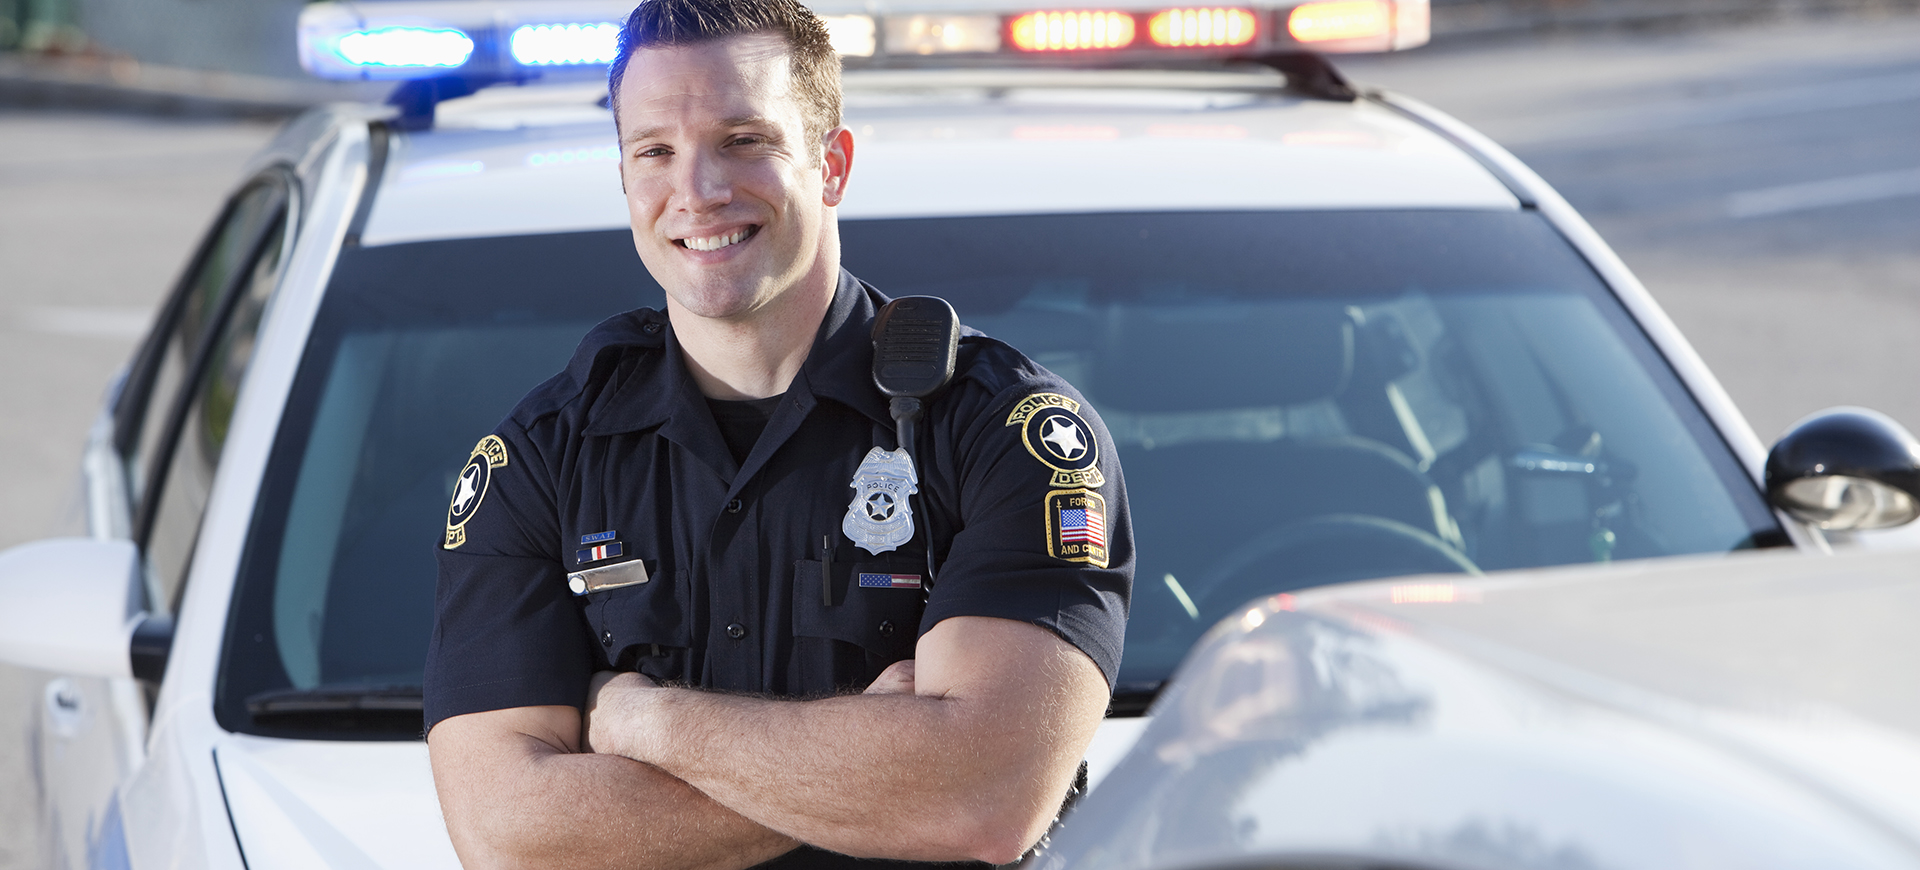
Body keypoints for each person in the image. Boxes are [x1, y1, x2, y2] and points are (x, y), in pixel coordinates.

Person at [423, 0, 1132, 867]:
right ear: (624, 175)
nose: (698, 190)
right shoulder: (543, 460)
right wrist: (884, 768)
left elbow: (980, 799)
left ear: (831, 164)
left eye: (743, 140)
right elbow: (509, 834)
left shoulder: (1003, 433)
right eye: (655, 151)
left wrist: (646, 717)